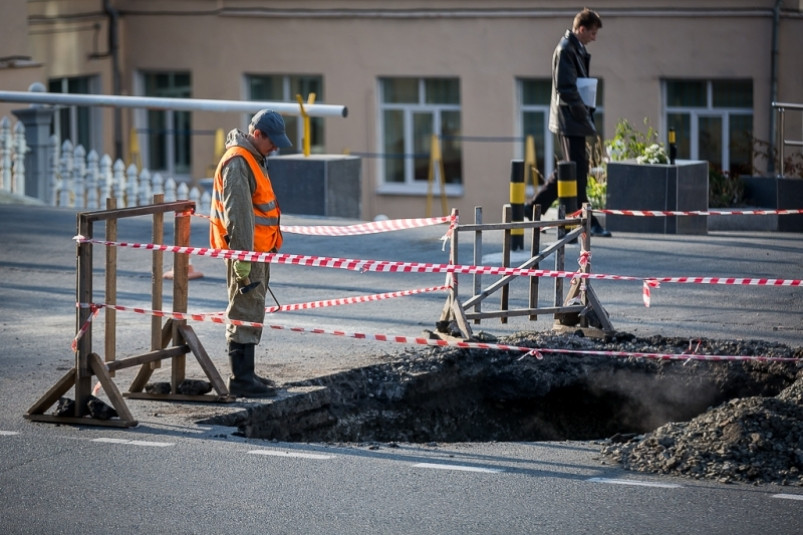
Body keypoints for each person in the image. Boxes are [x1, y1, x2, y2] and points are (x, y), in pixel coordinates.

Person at [209, 109, 292, 397]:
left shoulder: (253, 158)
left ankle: (247, 374)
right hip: (247, 253)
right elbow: (239, 218)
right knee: (244, 309)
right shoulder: (238, 162)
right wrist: (242, 259)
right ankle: (241, 380)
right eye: (273, 141)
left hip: (258, 251)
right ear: (257, 135)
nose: (277, 147)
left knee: (252, 308)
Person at [526, 8, 611, 237]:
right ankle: (587, 222)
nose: (594, 38)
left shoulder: (575, 48)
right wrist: (582, 112)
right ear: (581, 29)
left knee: (567, 170)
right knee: (577, 170)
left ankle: (532, 209)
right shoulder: (566, 49)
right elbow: (566, 89)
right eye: (592, 33)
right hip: (570, 120)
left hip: (573, 119)